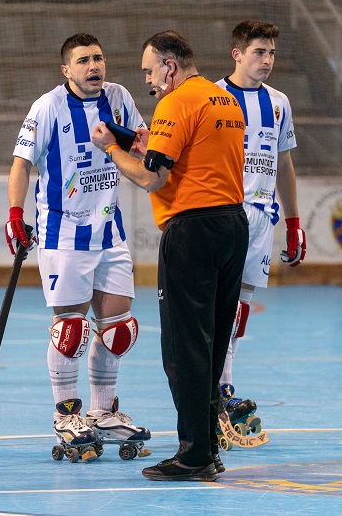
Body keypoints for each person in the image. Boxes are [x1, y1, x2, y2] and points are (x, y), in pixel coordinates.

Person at [90, 30, 247, 480]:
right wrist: (147, 146)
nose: (149, 81)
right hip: (232, 226)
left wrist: (113, 148)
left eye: (150, 71)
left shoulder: (176, 103)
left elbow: (151, 178)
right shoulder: (224, 100)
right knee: (214, 343)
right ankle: (209, 447)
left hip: (192, 231)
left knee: (183, 346)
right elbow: (195, 159)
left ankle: (194, 453)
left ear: (169, 66)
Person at [6, 33, 151, 461]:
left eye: (99, 58)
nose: (95, 66)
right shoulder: (47, 107)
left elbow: (142, 142)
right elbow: (20, 164)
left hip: (110, 232)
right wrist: (16, 214)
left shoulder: (120, 97)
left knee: (118, 329)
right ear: (66, 70)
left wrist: (130, 137)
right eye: (84, 60)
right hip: (62, 234)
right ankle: (67, 415)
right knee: (71, 330)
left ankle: (103, 412)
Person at [214, 20, 304, 424]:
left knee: (239, 313)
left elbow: (283, 163)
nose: (267, 60)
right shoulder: (213, 97)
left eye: (271, 53)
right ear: (237, 54)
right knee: (217, 306)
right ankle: (214, 391)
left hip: (261, 219)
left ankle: (223, 390)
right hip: (221, 213)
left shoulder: (280, 102)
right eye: (258, 52)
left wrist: (294, 220)